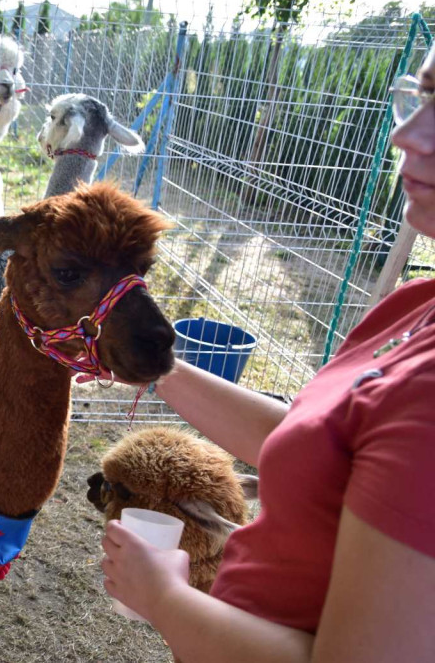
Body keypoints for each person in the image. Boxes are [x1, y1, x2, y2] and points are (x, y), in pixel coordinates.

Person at [97, 45, 435, 661]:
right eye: (423, 96)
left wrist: (167, 598)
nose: (408, 134)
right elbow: (319, 443)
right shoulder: (414, 305)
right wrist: (152, 368)